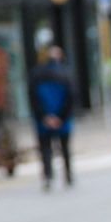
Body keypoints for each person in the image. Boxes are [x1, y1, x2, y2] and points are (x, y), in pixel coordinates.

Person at [28, 45, 77, 190]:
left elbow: (33, 99)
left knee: (45, 149)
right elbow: (71, 97)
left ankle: (48, 176)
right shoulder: (66, 73)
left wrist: (44, 117)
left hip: (43, 120)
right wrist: (60, 117)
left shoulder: (36, 74)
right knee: (65, 148)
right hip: (62, 120)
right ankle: (68, 175)